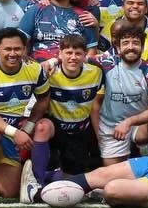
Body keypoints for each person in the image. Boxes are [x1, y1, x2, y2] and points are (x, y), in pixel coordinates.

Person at [0, 28, 51, 200]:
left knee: (8, 192)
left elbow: (43, 100)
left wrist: (28, 126)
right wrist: (16, 133)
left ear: (25, 49)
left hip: (13, 130)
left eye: (17, 49)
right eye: (7, 49)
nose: (12, 53)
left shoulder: (35, 69)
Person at [27, 33, 104, 178]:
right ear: (60, 54)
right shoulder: (48, 73)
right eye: (68, 53)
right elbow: (23, 65)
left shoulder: (97, 73)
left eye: (78, 53)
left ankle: (53, 175)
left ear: (85, 55)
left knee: (72, 177)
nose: (73, 57)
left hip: (80, 132)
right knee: (42, 126)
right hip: (55, 130)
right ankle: (36, 180)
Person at [94, 23, 148, 163]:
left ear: (142, 47)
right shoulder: (108, 63)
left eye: (135, 43)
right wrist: (52, 62)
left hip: (138, 126)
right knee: (114, 181)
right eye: (125, 43)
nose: (131, 47)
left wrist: (129, 122)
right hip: (111, 127)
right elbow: (78, 59)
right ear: (118, 48)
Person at [23, 0, 100, 58]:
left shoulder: (86, 14)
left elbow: (91, 50)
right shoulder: (35, 10)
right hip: (39, 67)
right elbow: (21, 42)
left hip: (72, 68)